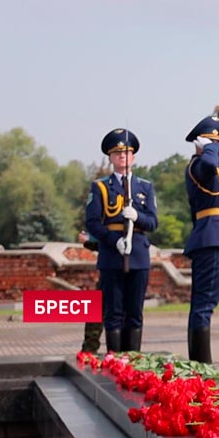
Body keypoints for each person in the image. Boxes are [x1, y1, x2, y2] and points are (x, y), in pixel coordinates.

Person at [85, 129, 158, 353]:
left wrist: (138, 217)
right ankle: (115, 360)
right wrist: (113, 240)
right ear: (110, 157)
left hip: (137, 253)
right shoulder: (100, 187)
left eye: (126, 152)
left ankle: (132, 361)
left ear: (133, 156)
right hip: (111, 253)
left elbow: (153, 222)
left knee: (134, 312)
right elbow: (93, 222)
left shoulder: (144, 187)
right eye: (117, 153)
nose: (122, 157)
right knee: (113, 313)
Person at [183, 115, 219, 363]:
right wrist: (210, 148)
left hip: (216, 238)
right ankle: (202, 366)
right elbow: (208, 165)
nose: (215, 146)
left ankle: (200, 364)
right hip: (212, 239)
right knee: (204, 305)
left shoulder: (214, 170)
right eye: (210, 141)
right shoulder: (199, 166)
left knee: (205, 303)